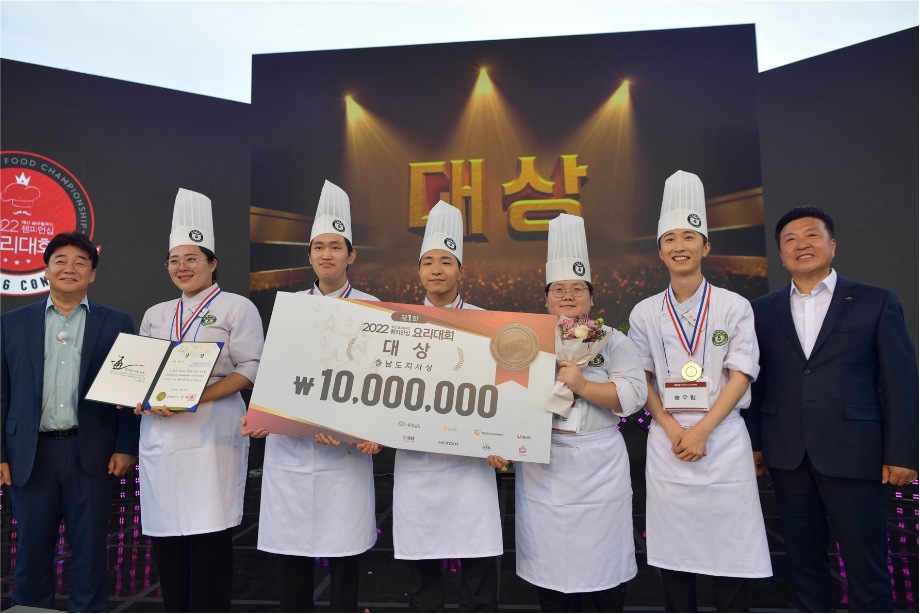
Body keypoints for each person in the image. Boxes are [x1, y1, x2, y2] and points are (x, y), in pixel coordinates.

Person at [745, 205, 918, 612]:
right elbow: (754, 382)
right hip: (787, 456)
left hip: (856, 455)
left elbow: (901, 383)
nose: (801, 244)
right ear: (781, 253)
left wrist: (902, 453)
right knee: (804, 569)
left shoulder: (875, 301)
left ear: (832, 245)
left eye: (812, 235)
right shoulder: (759, 311)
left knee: (867, 567)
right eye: (790, 239)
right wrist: (755, 444)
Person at [628, 170, 771, 612]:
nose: (679, 245)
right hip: (668, 440)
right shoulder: (645, 312)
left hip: (722, 438)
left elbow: (742, 373)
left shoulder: (733, 305)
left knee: (729, 556)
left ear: (706, 246)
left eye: (689, 236)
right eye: (669, 238)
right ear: (660, 251)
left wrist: (704, 430)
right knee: (676, 558)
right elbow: (642, 377)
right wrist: (671, 427)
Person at [250, 180, 380, 612]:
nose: (327, 254)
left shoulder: (372, 307)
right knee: (293, 557)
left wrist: (358, 429)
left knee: (344, 558)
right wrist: (262, 415)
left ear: (351, 255)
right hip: (291, 451)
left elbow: (376, 379)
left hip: (343, 455)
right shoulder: (287, 306)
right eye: (319, 247)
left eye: (336, 247)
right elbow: (276, 371)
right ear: (309, 255)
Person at [134, 189, 264, 611]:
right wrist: (137, 397)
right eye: (175, 259)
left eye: (193, 258)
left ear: (212, 263)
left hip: (211, 434)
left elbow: (251, 369)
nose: (183, 267)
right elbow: (142, 371)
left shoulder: (236, 307)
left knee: (209, 535)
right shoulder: (155, 313)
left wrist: (198, 396)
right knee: (167, 538)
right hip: (160, 436)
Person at [513, 213, 647, 612]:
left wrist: (583, 386)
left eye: (577, 288)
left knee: (603, 568)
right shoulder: (523, 340)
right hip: (544, 461)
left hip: (599, 463)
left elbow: (635, 395)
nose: (568, 295)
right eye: (559, 289)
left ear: (591, 297)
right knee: (549, 569)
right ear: (546, 297)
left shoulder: (613, 339)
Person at [0, 231, 138, 612]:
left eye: (81, 262)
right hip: (30, 454)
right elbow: (1, 394)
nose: (70, 268)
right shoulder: (11, 324)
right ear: (46, 268)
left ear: (92, 274)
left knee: (92, 553)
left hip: (90, 454)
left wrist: (126, 445)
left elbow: (130, 393)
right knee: (30, 552)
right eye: (60, 260)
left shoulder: (117, 322)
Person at [393, 200, 503, 612]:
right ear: (419, 271)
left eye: (446, 261)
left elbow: (504, 388)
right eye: (428, 262)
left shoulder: (488, 322)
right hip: (416, 463)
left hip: (470, 466)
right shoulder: (397, 322)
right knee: (421, 576)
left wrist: (505, 439)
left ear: (462, 271)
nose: (436, 269)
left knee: (478, 571)